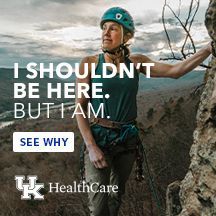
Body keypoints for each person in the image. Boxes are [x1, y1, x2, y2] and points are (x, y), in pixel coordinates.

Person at [75, 7, 213, 216]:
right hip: (99, 139)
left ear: (126, 36)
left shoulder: (136, 63)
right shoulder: (90, 64)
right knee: (98, 206)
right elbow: (80, 108)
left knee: (116, 197)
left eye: (113, 28)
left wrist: (209, 48)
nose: (106, 32)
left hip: (126, 141)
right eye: (104, 28)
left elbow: (175, 72)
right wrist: (91, 146)